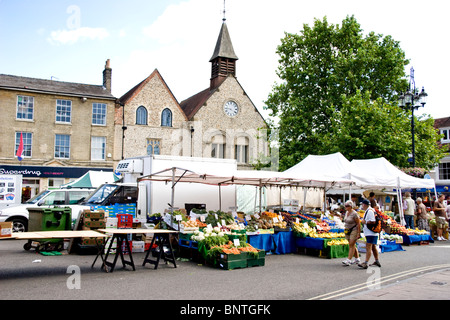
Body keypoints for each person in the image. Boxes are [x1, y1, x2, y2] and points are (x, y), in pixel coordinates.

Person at [358, 199, 381, 269]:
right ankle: (377, 261)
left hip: (371, 232)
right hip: (371, 232)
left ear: (364, 205)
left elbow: (373, 221)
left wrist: (365, 222)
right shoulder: (370, 210)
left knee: (369, 247)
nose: (362, 206)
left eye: (362, 204)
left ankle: (366, 263)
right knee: (373, 247)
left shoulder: (370, 211)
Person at [342, 200, 361, 266]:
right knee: (352, 244)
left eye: (347, 206)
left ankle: (348, 260)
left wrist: (358, 233)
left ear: (351, 206)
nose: (346, 207)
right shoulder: (347, 212)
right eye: (345, 206)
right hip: (347, 230)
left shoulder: (354, 214)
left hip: (354, 229)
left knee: (351, 244)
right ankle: (357, 258)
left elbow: (358, 223)